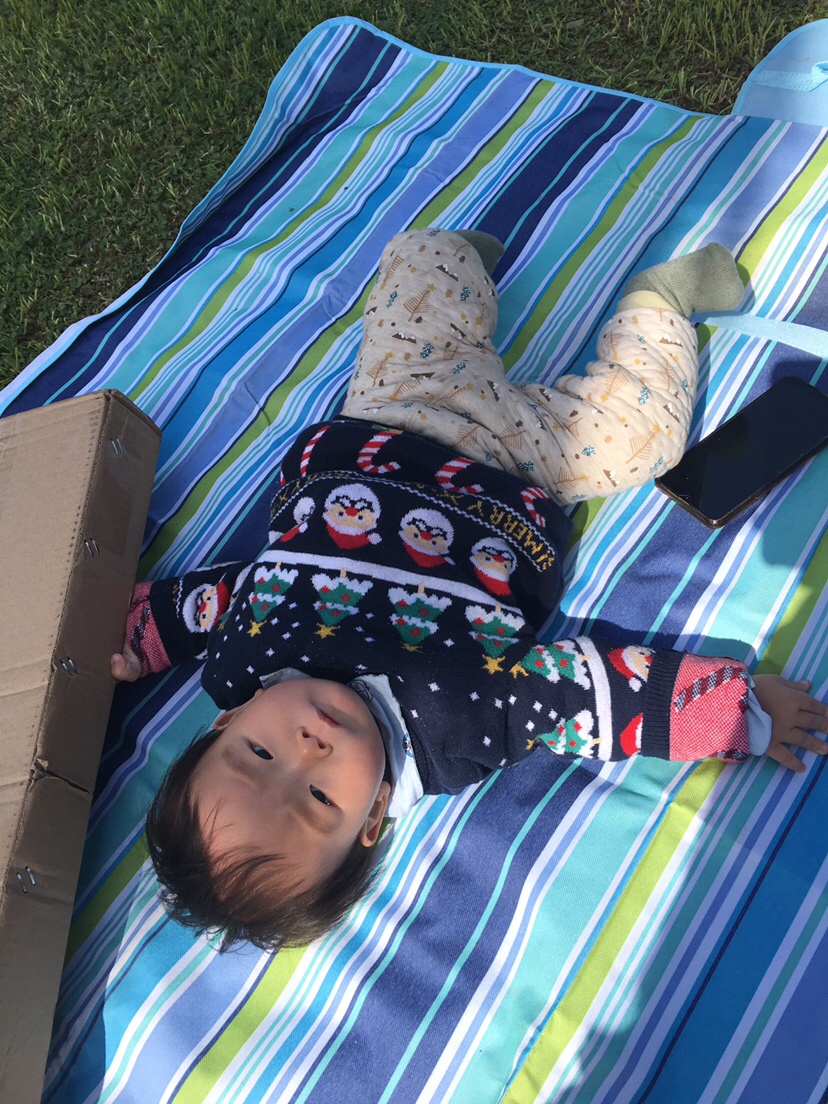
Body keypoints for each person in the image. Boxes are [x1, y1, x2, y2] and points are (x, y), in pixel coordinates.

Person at [112, 228, 828, 949]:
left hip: (390, 419)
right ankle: (659, 304)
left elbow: (218, 600)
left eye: (260, 755)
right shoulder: (458, 731)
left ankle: (456, 259)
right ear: (373, 815)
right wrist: (736, 713)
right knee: (642, 437)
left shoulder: (243, 662)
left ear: (225, 725)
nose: (306, 748)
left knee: (418, 279)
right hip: (521, 469)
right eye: (319, 797)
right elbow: (587, 696)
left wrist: (133, 636)